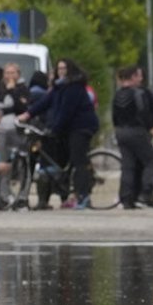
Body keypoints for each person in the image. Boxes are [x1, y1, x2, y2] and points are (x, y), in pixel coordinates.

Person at [18, 58, 100, 209]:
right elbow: (45, 102)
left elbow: (66, 112)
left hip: (80, 127)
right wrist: (27, 114)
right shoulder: (58, 87)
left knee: (78, 161)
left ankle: (83, 196)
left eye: (64, 69)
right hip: (68, 128)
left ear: (71, 70)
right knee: (59, 159)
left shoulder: (74, 87)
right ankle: (62, 193)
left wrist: (54, 128)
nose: (61, 71)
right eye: (59, 69)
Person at [112, 65, 153, 210]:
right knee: (151, 160)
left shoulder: (118, 94)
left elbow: (114, 117)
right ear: (133, 77)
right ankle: (145, 194)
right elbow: (145, 115)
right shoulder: (138, 94)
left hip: (121, 131)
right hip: (137, 131)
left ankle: (126, 198)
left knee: (128, 166)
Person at [0, 62, 31, 209]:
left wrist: (13, 91)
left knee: (22, 165)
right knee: (4, 164)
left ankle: (22, 196)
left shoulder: (23, 89)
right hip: (2, 130)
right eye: (7, 73)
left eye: (12, 73)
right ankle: (4, 195)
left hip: (18, 130)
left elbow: (23, 107)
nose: (9, 76)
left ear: (18, 74)